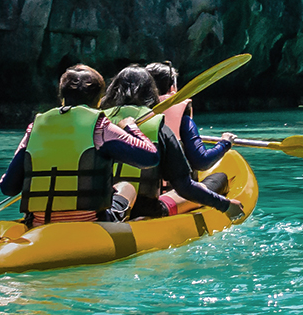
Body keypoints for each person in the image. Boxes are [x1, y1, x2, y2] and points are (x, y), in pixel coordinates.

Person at [0, 64, 160, 227]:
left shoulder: (34, 128)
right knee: (126, 186)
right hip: (90, 223)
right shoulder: (100, 127)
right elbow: (150, 157)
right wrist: (130, 126)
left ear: (62, 96)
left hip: (39, 223)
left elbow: (8, 187)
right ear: (98, 99)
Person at [101, 65, 244, 220]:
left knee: (125, 188)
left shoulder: (99, 122)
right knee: (218, 179)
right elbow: (184, 186)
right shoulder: (158, 126)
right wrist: (225, 205)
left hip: (104, 207)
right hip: (148, 210)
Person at [146, 61, 235, 172]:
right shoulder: (182, 120)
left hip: (130, 185)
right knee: (225, 176)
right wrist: (225, 143)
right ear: (173, 88)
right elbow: (202, 161)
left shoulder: (130, 115)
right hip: (172, 186)